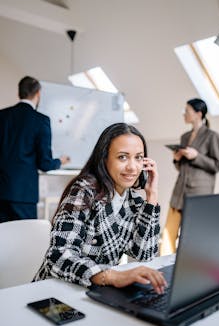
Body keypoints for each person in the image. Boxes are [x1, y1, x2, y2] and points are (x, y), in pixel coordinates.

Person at [34, 123, 167, 293]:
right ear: (104, 159)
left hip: (98, 290)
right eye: (122, 157)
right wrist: (113, 277)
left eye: (139, 157)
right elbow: (58, 255)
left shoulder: (133, 200)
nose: (133, 167)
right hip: (58, 289)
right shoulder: (84, 191)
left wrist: (152, 196)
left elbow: (144, 254)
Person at [0, 76, 70, 223]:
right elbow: (44, 164)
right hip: (24, 195)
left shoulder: (2, 116)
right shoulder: (40, 120)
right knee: (25, 240)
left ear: (20, 93)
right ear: (38, 93)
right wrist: (60, 161)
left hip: (1, 191)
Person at [160, 98, 219, 256]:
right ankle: (164, 273)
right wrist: (177, 159)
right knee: (168, 235)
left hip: (198, 194)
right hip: (179, 192)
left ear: (198, 114)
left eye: (187, 111)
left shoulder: (212, 136)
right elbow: (180, 168)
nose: (184, 114)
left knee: (194, 238)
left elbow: (216, 165)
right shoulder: (184, 136)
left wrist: (196, 156)